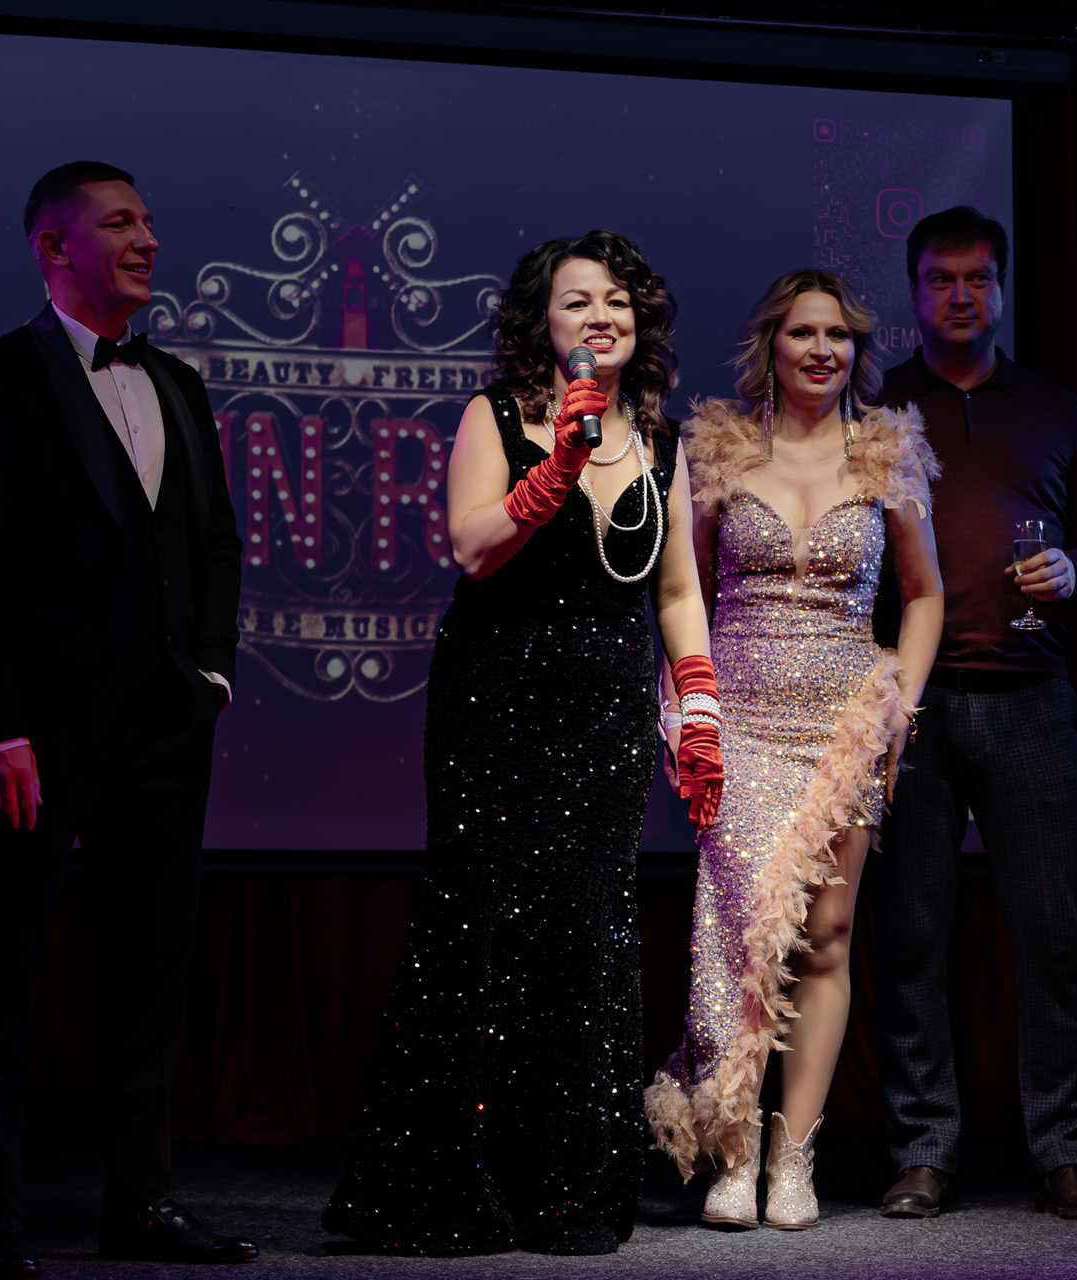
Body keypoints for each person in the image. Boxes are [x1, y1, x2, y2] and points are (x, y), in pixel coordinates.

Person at [323, 230, 722, 1257]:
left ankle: (563, 1186)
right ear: (541, 323)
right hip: (497, 702)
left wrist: (699, 706)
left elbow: (677, 590)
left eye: (618, 300)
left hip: (607, 714)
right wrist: (557, 470)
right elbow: (471, 545)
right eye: (578, 301)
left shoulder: (661, 440)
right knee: (482, 928)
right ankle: (445, 1184)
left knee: (585, 936)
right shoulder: (495, 415)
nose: (601, 316)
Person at [0, 161, 255, 1273]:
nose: (147, 239)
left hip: (168, 723)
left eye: (149, 221)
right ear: (54, 247)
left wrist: (211, 673)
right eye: (120, 222)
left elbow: (216, 543)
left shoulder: (177, 382)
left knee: (149, 971)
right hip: (39, 733)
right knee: (1, 974)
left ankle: (142, 1203)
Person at [646, 270, 944, 1230]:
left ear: (857, 350)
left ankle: (793, 1157)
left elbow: (925, 595)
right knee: (737, 932)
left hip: (843, 724)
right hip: (740, 718)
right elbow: (681, 592)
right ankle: (732, 1149)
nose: (823, 350)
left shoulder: (888, 454)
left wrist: (900, 705)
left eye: (839, 335)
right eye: (804, 333)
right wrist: (685, 708)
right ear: (770, 345)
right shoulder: (723, 452)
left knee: (828, 934)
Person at [868, 205, 1077, 1222]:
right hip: (912, 704)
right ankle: (923, 1154)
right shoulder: (879, 410)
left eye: (979, 277)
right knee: (912, 939)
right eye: (941, 279)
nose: (961, 295)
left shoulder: (1058, 411)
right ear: (915, 292)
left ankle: (1063, 1153)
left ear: (1003, 289)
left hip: (1031, 700)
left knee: (1056, 937)